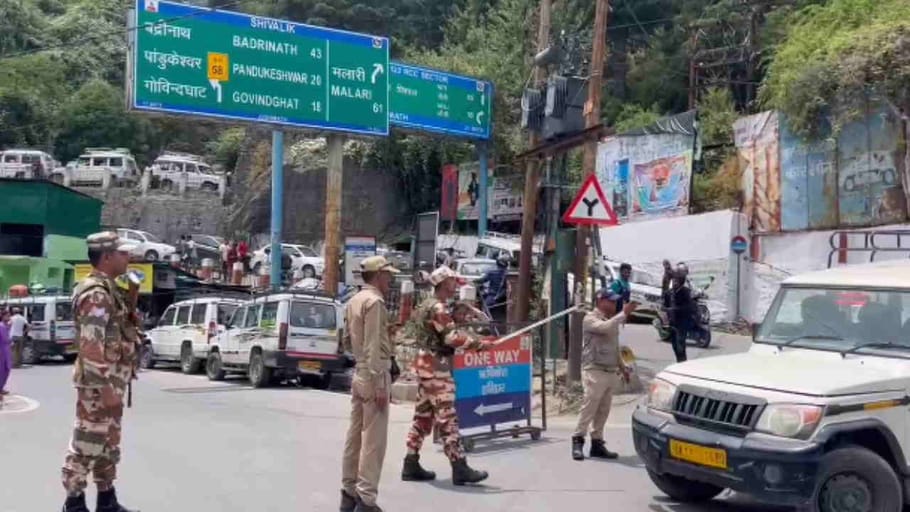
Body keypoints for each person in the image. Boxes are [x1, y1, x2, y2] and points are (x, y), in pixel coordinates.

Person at [61, 231, 141, 512]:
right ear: (107, 257)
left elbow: (118, 332)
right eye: (122, 253)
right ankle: (74, 504)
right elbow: (90, 345)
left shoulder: (111, 289)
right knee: (86, 443)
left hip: (112, 382)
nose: (128, 257)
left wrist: (131, 300)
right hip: (99, 385)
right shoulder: (95, 294)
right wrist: (106, 388)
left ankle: (107, 501)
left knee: (108, 444)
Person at [401, 265, 490, 486]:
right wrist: (477, 344)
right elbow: (450, 338)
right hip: (437, 368)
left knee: (423, 417)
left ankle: (410, 463)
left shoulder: (427, 305)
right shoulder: (438, 307)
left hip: (426, 365)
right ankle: (459, 466)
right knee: (448, 418)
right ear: (443, 283)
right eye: (452, 282)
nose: (455, 285)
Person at [339, 256, 400, 512]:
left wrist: (363, 367)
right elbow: (374, 343)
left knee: (354, 437)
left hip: (359, 371)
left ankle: (348, 493)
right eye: (387, 274)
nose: (391, 279)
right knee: (373, 442)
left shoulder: (353, 300)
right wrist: (378, 381)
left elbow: (345, 340)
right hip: (374, 373)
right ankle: (366, 499)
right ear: (377, 275)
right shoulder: (375, 302)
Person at [572, 289, 637, 461]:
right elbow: (604, 329)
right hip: (594, 369)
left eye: (616, 301)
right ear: (600, 301)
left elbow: (615, 348)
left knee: (603, 410)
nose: (615, 304)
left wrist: (623, 368)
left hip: (609, 371)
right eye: (611, 301)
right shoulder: (590, 319)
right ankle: (578, 441)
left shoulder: (611, 320)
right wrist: (623, 313)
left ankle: (597, 443)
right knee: (589, 407)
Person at [667, 263, 695, 363]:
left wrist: (675, 309)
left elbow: (689, 307)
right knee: (675, 345)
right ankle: (680, 362)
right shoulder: (672, 292)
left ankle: (682, 363)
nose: (674, 283)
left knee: (680, 346)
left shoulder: (685, 292)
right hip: (673, 324)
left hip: (682, 324)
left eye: (676, 281)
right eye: (673, 281)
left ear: (681, 282)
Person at [478, 255, 509, 320]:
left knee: (485, 313)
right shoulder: (508, 274)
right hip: (505, 299)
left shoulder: (493, 273)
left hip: (492, 298)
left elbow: (481, 280)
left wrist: (472, 281)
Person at [0, 308, 11, 396]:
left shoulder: (5, 326)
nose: (9, 317)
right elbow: (6, 339)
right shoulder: (2, 326)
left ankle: (1, 387)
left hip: (5, 350)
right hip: (2, 351)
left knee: (6, 369)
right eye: (7, 316)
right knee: (3, 370)